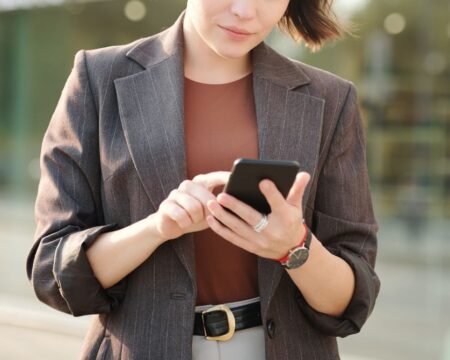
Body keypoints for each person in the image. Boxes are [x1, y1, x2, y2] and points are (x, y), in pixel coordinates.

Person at [26, 0, 380, 359]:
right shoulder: (97, 77)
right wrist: (156, 229)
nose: (245, 10)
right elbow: (52, 270)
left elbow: (351, 300)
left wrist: (295, 247)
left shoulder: (331, 99)